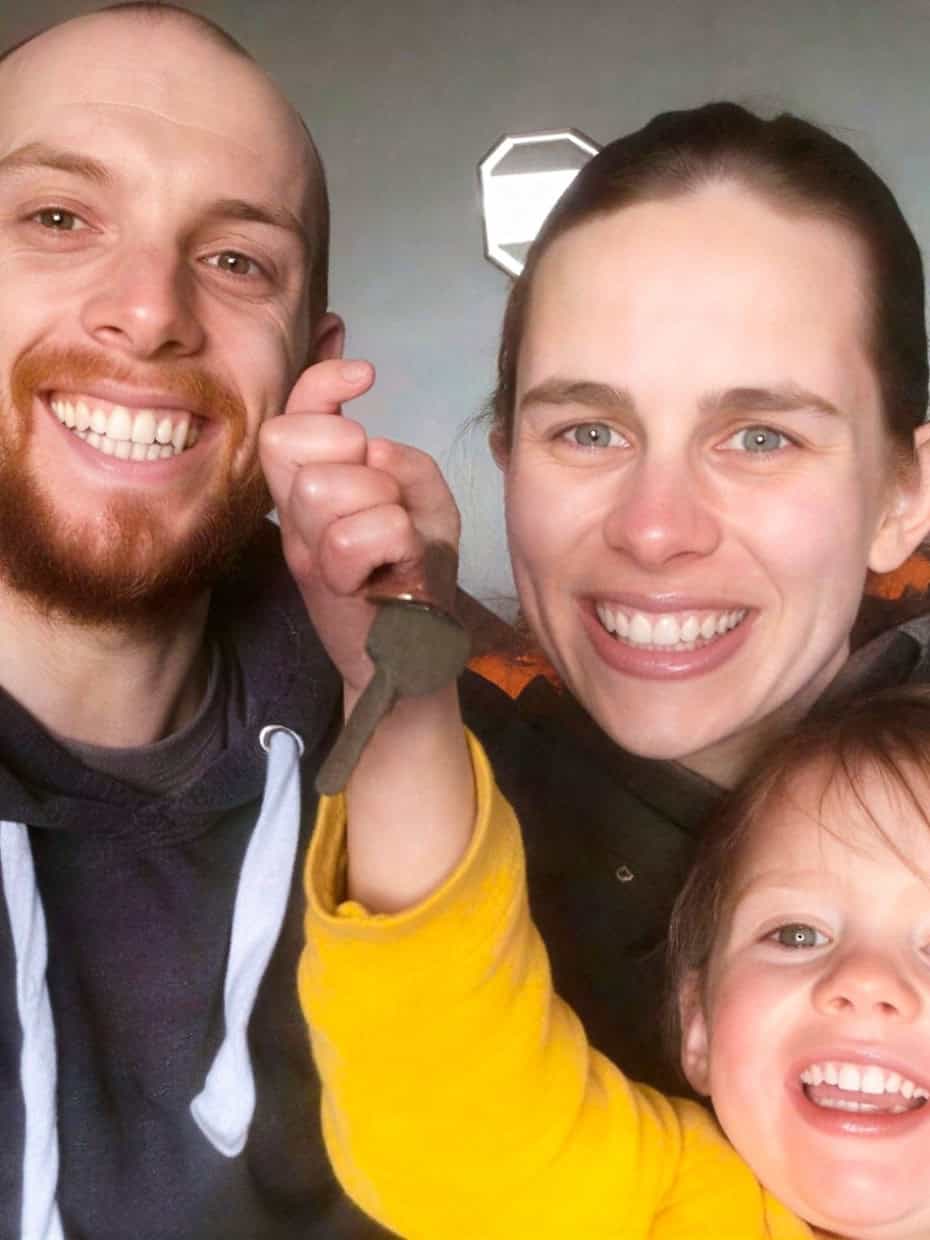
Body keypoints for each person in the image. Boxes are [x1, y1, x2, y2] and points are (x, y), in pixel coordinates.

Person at [274, 101, 930, 1093]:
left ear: (902, 497)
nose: (654, 527)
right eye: (588, 431)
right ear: (506, 456)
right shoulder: (382, 816)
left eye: (761, 437)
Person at [0, 4, 395, 1237]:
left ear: (310, 370)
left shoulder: (434, 767)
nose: (148, 310)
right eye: (58, 218)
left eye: (236, 261)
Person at [300, 680, 930, 1238]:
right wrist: (400, 684)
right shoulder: (668, 1203)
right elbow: (458, 1101)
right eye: (796, 934)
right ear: (699, 1025)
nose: (867, 982)